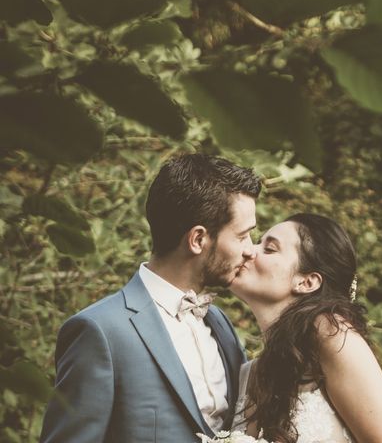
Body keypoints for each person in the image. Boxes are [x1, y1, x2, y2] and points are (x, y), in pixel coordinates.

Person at [40, 154, 262, 443]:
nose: (251, 250)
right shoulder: (100, 332)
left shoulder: (220, 324)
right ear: (198, 239)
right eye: (243, 236)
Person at [230, 213, 382, 443]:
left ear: (306, 282)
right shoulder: (251, 373)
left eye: (269, 249)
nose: (249, 251)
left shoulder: (331, 332)